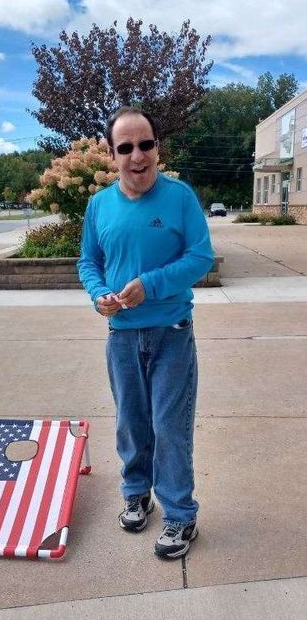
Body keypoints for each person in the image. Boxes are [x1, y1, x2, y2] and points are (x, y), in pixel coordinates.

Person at [77, 106, 214, 559]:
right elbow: (89, 262)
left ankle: (180, 517)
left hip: (171, 333)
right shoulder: (99, 205)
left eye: (146, 144)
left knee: (169, 428)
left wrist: (151, 284)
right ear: (113, 154)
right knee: (131, 425)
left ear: (158, 147)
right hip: (121, 337)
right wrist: (98, 293)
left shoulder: (179, 197)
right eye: (126, 147)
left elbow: (200, 257)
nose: (138, 156)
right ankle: (137, 493)